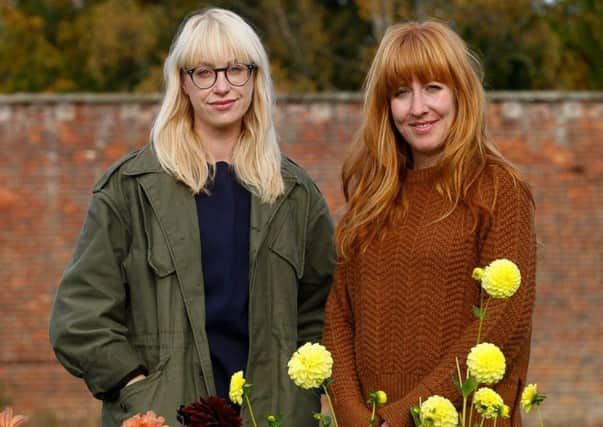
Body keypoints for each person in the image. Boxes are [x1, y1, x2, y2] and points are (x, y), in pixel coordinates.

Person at [49, 8, 336, 427]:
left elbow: (325, 308)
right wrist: (132, 383)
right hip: (167, 413)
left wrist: (299, 390)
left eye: (235, 69)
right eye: (204, 72)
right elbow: (78, 316)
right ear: (182, 82)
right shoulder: (131, 188)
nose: (221, 86)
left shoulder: (294, 193)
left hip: (271, 413)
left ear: (256, 78)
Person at [323, 20, 536, 427]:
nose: (417, 107)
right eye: (401, 93)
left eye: (433, 88)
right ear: (386, 106)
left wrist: (405, 415)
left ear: (460, 93)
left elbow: (502, 323)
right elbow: (338, 317)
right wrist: (356, 418)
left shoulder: (498, 190)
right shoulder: (372, 199)